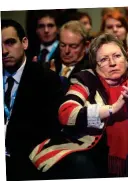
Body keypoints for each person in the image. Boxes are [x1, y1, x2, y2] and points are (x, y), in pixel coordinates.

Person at [29, 33, 128, 179]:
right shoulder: (86, 79)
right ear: (95, 65)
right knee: (82, 163)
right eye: (104, 59)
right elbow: (66, 113)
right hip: (87, 149)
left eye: (117, 56)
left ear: (126, 57)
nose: (112, 63)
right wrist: (112, 109)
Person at [2, 19, 64, 181]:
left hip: (29, 162)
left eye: (10, 43)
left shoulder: (46, 79)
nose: (3, 51)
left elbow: (50, 131)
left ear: (24, 43)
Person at [46, 20, 90, 92]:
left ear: (86, 46)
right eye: (62, 45)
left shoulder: (89, 72)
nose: (66, 51)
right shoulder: (47, 68)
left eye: (73, 46)